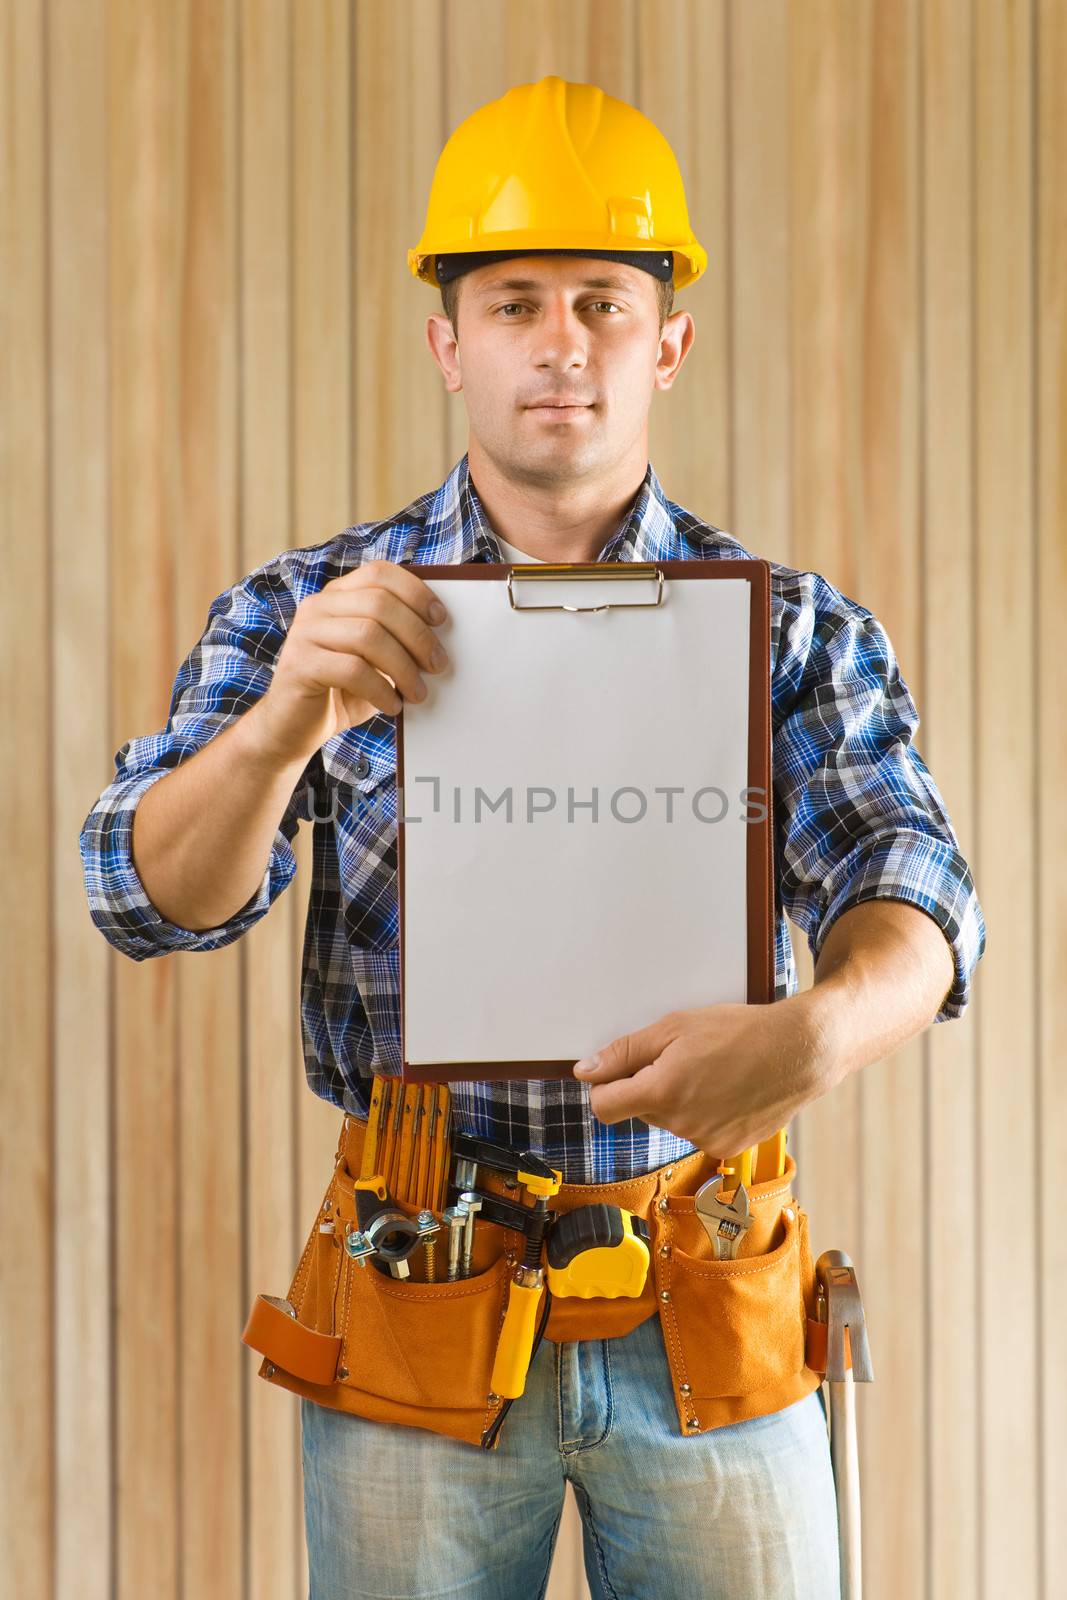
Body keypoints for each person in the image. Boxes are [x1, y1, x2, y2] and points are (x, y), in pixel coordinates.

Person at [80, 75, 985, 1600]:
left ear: (668, 346)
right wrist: (284, 720)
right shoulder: (312, 611)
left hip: (706, 1287)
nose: (560, 342)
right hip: (420, 1288)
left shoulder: (791, 633)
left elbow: (920, 886)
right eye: (513, 303)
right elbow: (147, 895)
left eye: (602, 303)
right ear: (450, 345)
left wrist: (820, 1034)